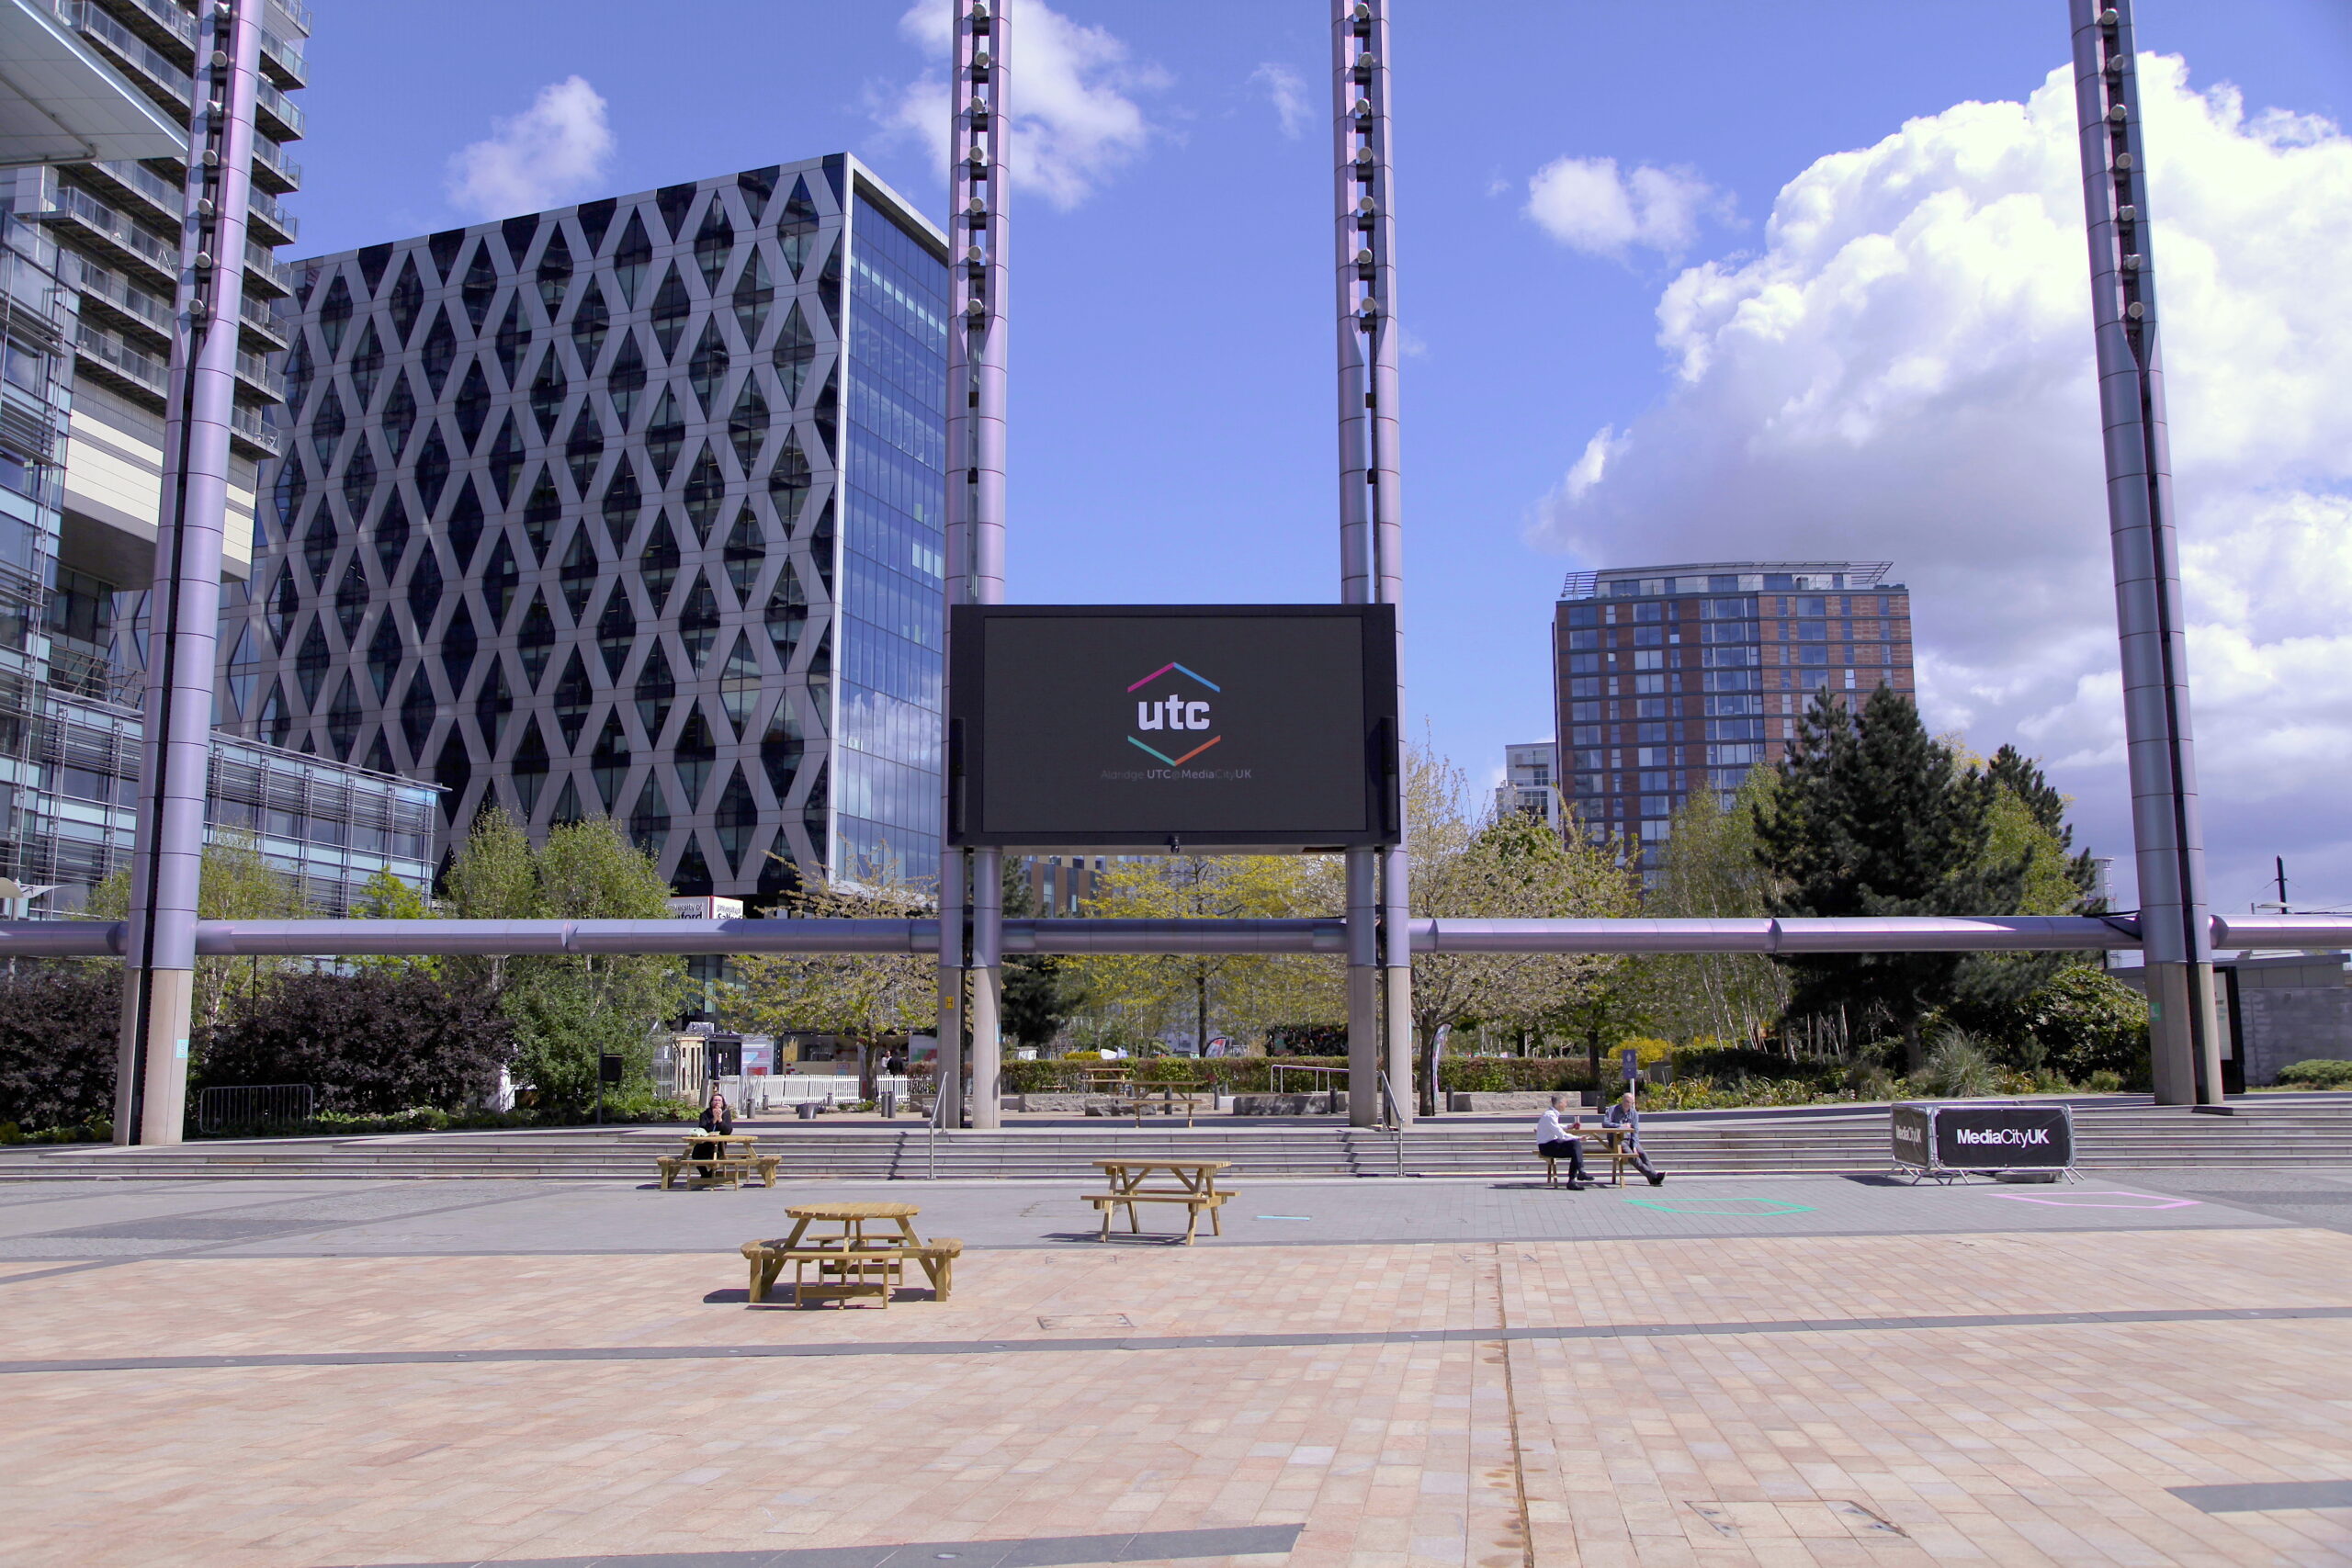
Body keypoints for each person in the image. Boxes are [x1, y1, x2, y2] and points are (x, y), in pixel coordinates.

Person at [1602, 1089, 1666, 1186]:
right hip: (1617, 1140)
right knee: (1631, 1156)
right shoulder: (1612, 1109)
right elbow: (1605, 1123)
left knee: (1642, 1154)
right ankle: (1653, 1176)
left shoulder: (1634, 1113)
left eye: (1629, 1102)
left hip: (1629, 1139)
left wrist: (1635, 1145)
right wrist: (1620, 1126)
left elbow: (1635, 1131)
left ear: (1632, 1103)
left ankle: (1653, 1178)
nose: (1626, 1104)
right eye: (1625, 1101)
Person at [1533, 1097, 1593, 1188]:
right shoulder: (1550, 1115)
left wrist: (1569, 1127)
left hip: (1551, 1144)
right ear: (1559, 1104)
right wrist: (1579, 1138)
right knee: (1575, 1144)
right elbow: (1561, 1135)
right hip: (1547, 1147)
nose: (1566, 1105)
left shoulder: (1551, 1114)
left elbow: (1556, 1126)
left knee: (1575, 1148)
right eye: (1565, 1102)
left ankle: (1574, 1179)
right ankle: (1578, 1175)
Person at [693, 1091, 734, 1179]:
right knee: (696, 1154)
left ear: (723, 1103)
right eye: (715, 1100)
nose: (717, 1102)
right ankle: (705, 1175)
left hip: (719, 1143)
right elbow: (702, 1129)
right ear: (711, 1102)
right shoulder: (705, 1114)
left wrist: (720, 1121)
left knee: (716, 1157)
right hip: (705, 1142)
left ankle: (710, 1175)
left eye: (719, 1100)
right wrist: (714, 1120)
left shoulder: (726, 1113)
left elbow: (728, 1131)